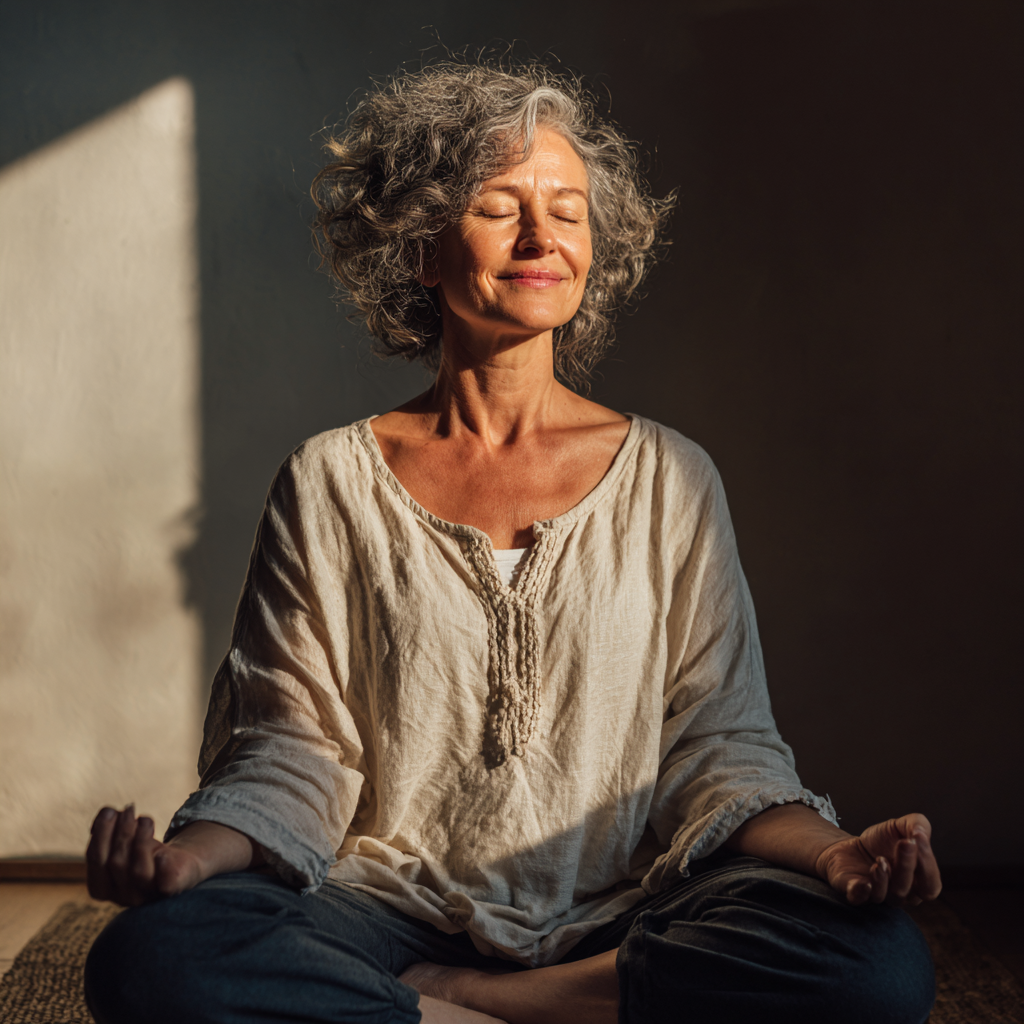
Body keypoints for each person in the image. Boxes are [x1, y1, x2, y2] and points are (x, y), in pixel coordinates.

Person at [83, 62, 939, 1024]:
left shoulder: (671, 478)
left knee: (877, 970)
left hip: (634, 908)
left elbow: (721, 747)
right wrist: (186, 862)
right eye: (499, 208)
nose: (542, 238)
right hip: (384, 913)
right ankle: (576, 1010)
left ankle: (469, 1004)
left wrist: (836, 855)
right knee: (150, 963)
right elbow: (292, 747)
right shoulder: (329, 481)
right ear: (420, 249)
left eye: (567, 212)